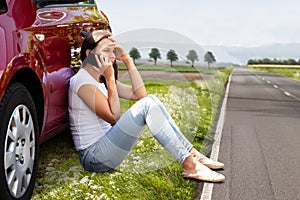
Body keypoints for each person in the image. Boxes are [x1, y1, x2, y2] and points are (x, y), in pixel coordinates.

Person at [68, 30, 225, 183]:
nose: (112, 56)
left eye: (113, 51)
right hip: (94, 157)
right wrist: (110, 80)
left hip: (106, 148)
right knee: (147, 105)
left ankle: (192, 154)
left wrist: (127, 60)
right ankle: (189, 165)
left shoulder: (98, 79)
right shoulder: (83, 83)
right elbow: (114, 118)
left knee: (151, 99)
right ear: (89, 54)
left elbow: (139, 94)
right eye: (106, 51)